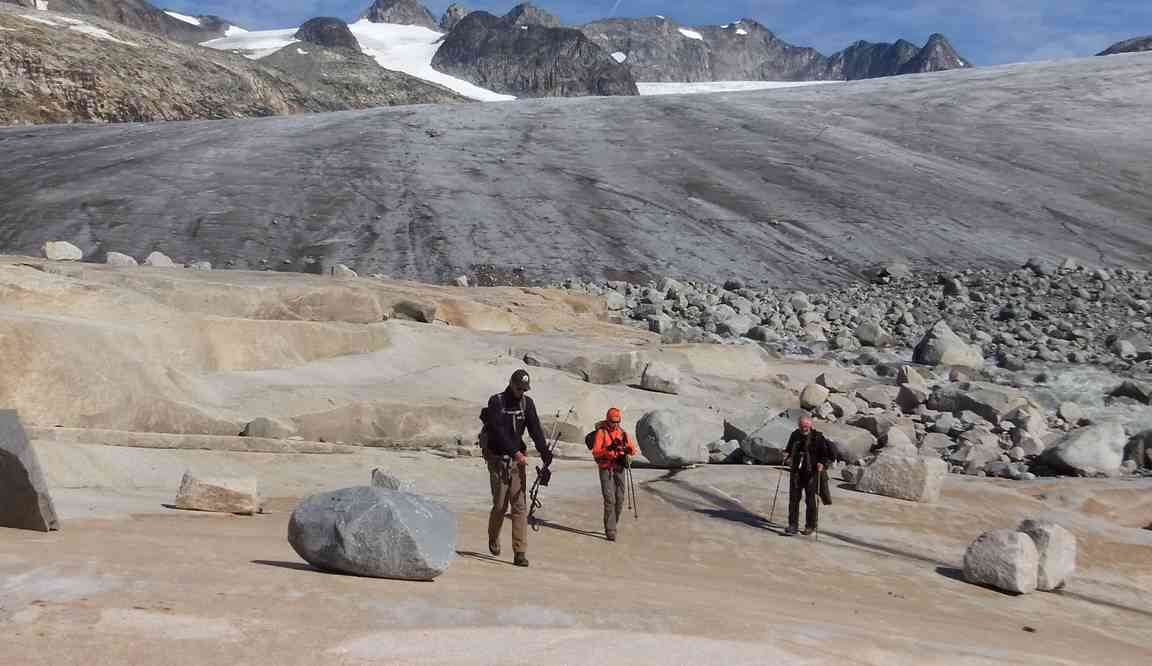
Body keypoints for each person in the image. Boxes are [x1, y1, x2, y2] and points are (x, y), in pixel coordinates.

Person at [481, 369, 552, 567]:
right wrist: (515, 453)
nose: (521, 392)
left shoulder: (526, 403)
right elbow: (498, 431)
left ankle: (519, 552)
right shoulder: (497, 401)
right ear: (511, 384)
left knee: (519, 506)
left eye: (524, 389)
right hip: (498, 460)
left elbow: (535, 428)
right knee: (500, 505)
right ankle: (493, 537)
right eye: (519, 388)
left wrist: (544, 451)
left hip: (516, 462)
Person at [782, 413, 834, 536]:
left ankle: (810, 526)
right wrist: (786, 454)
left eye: (806, 426)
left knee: (810, 500)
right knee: (794, 499)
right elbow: (789, 449)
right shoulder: (795, 435)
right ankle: (792, 525)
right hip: (796, 472)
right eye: (801, 426)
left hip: (812, 473)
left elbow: (825, 455)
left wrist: (822, 464)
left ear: (810, 425)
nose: (803, 428)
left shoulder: (818, 437)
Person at [590, 407, 637, 542]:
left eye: (617, 421)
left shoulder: (622, 433)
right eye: (613, 421)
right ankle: (610, 530)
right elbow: (596, 452)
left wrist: (628, 449)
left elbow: (633, 449)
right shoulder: (601, 433)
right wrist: (608, 449)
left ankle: (612, 524)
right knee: (610, 499)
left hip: (619, 467)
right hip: (606, 468)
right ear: (608, 420)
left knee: (620, 499)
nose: (615, 424)